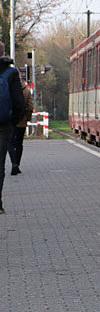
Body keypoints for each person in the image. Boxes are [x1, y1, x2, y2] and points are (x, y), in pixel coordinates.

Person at [0, 42, 26, 215]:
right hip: (3, 124)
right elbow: (19, 102)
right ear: (3, 52)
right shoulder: (11, 72)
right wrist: (13, 120)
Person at [10, 77, 33, 176]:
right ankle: (17, 165)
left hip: (10, 121)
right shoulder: (26, 91)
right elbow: (30, 107)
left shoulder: (8, 90)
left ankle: (14, 163)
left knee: (10, 143)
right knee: (19, 144)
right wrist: (27, 118)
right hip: (22, 121)